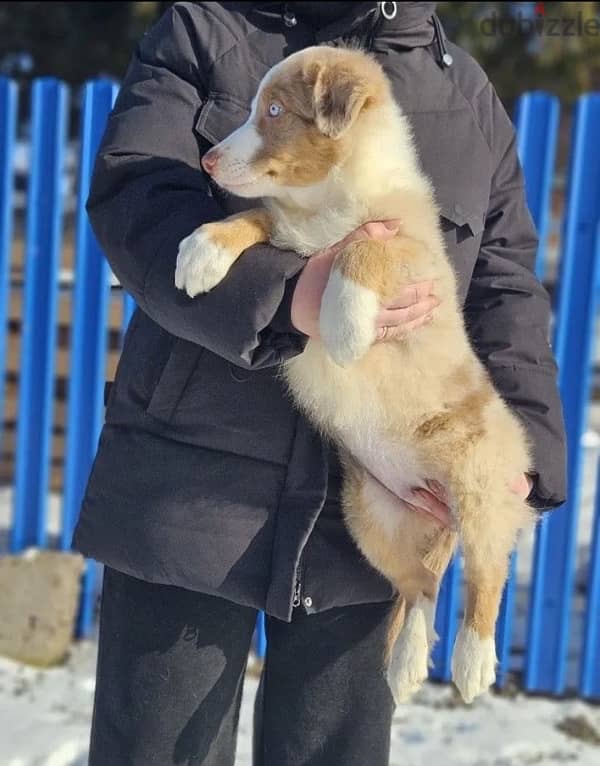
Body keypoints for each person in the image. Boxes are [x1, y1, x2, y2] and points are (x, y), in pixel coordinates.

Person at [72, 3, 567, 764]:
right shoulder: (208, 33)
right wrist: (284, 295)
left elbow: (503, 287)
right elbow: (136, 202)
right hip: (192, 495)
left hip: (367, 532)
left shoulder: (466, 97)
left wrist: (520, 463)